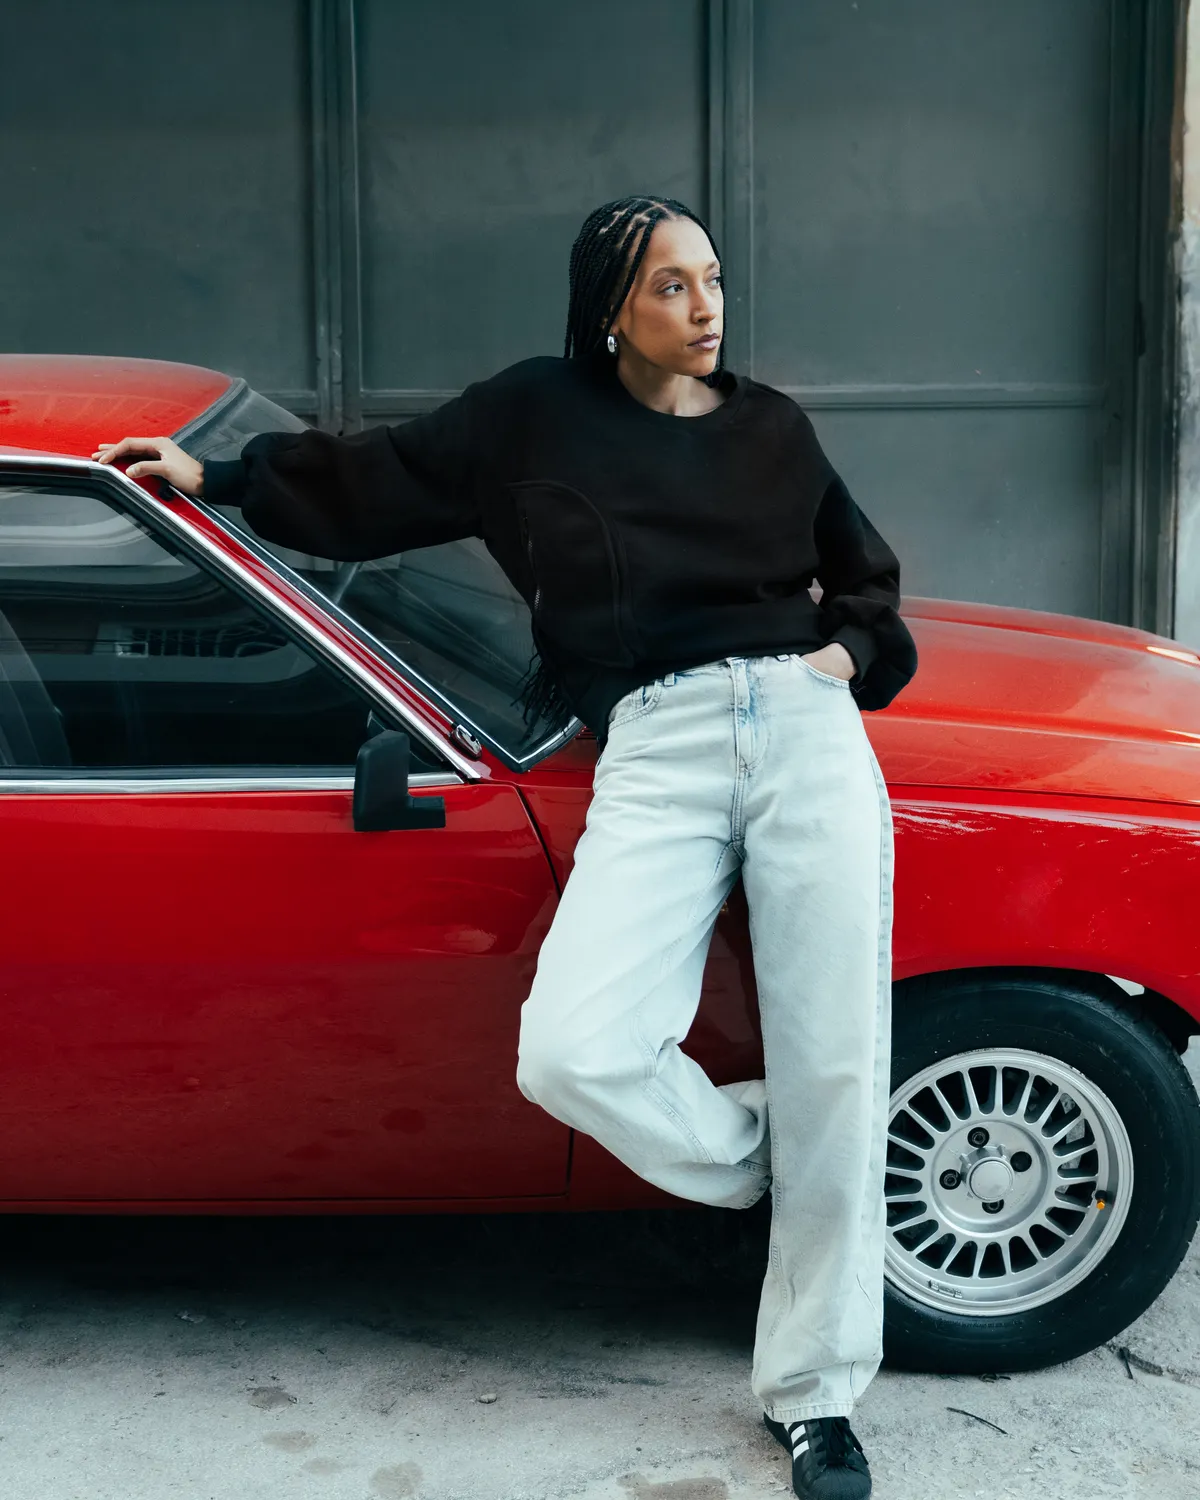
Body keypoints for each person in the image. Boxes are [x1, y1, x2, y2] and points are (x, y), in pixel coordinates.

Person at [94, 194, 918, 1500]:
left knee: (839, 1050)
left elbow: (867, 582)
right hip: (655, 739)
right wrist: (225, 477)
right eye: (671, 286)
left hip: (806, 729)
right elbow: (382, 477)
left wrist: (843, 662)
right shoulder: (536, 415)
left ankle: (815, 1398)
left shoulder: (773, 427)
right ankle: (786, 1157)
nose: (705, 308)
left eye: (712, 280)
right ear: (611, 310)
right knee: (576, 1051)